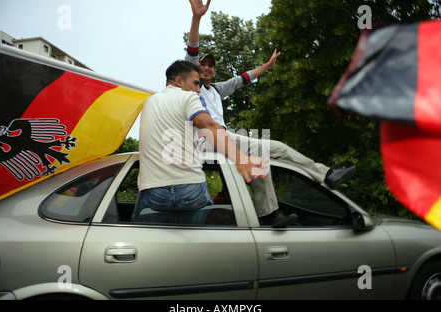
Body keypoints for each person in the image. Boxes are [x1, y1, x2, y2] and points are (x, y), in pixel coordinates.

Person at [185, 0, 356, 223]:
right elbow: (192, 51)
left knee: (271, 151)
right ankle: (273, 210)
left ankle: (281, 205)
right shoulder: (191, 87)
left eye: (210, 65)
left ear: (215, 71)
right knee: (263, 151)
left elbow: (244, 78)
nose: (206, 67)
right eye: (202, 64)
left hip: (224, 139)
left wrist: (267, 66)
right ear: (195, 69)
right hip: (205, 139)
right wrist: (197, 18)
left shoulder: (217, 89)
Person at [132, 60, 295, 227]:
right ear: (179, 81)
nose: (198, 89)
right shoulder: (189, 97)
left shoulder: (148, 102)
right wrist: (240, 159)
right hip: (190, 190)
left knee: (140, 233)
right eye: (196, 83)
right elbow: (209, 127)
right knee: (200, 240)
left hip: (153, 191)